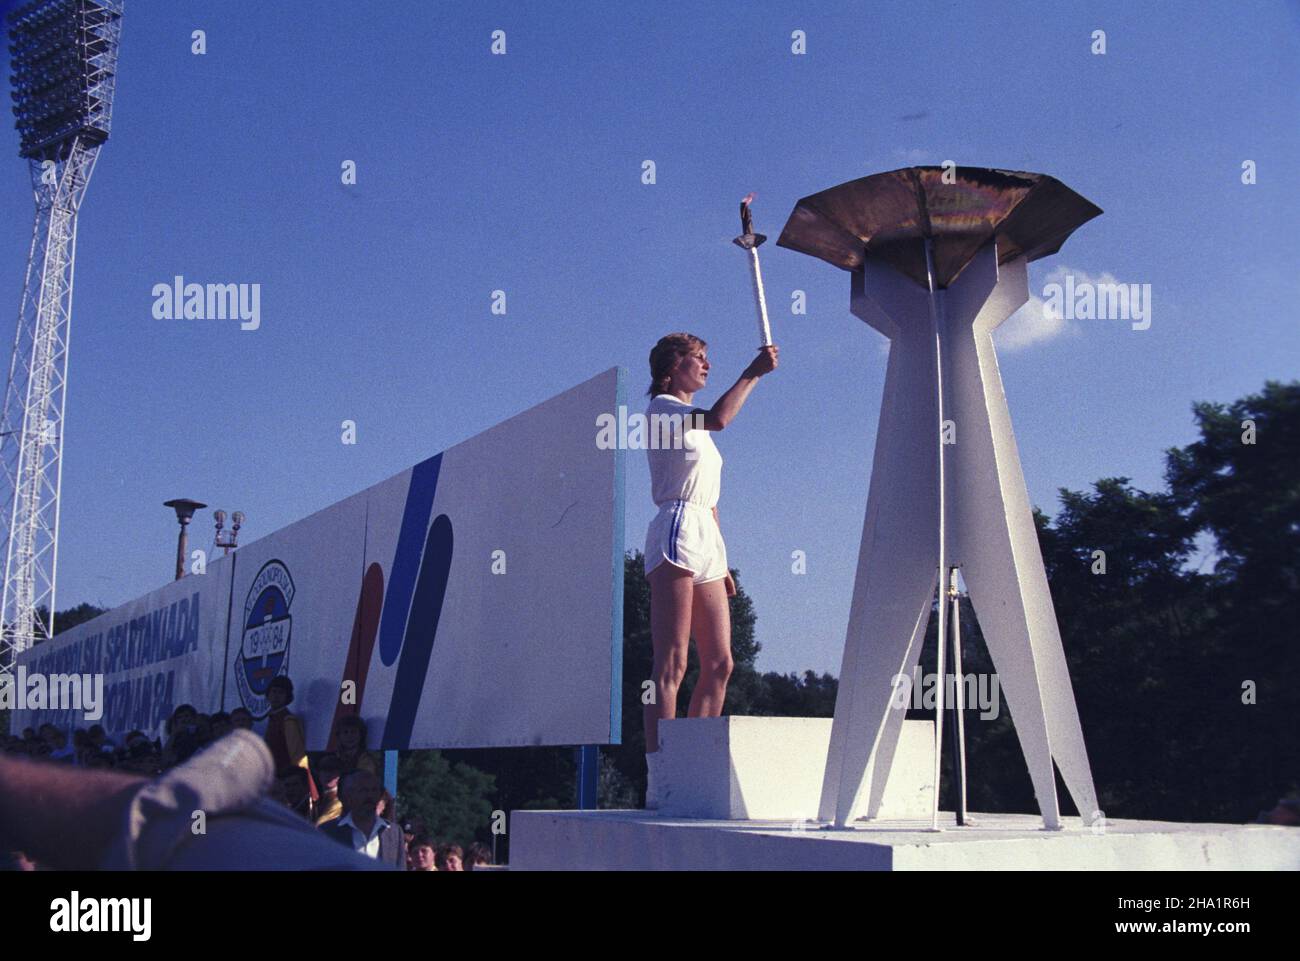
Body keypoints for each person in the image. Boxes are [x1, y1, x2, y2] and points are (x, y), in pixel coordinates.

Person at [641, 332, 778, 809]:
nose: (706, 364)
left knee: (720, 663)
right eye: (697, 358)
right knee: (672, 663)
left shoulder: (691, 426)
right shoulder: (661, 408)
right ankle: (661, 778)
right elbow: (720, 417)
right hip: (675, 526)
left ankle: (693, 768)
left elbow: (711, 498)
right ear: (669, 369)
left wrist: (722, 561)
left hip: (706, 535)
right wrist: (753, 373)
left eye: (705, 357)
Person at [318, 770, 405, 868]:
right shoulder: (328, 832)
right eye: (363, 790)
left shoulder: (394, 832)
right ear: (349, 796)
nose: (369, 796)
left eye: (374, 790)